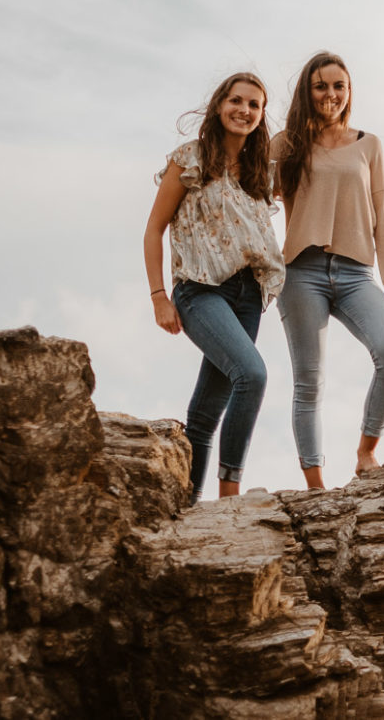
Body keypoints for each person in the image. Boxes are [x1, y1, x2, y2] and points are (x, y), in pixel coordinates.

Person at [143, 72, 284, 502]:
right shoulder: (188, 159)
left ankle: (185, 504)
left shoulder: (260, 172)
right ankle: (230, 493)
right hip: (200, 291)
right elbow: (153, 230)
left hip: (248, 296)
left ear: (261, 116)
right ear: (219, 105)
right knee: (253, 374)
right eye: (236, 101)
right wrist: (158, 297)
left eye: (254, 105)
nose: (244, 110)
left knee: (204, 415)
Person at [274, 51, 384, 489]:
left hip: (355, 272)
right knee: (308, 381)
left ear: (349, 92)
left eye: (338, 86)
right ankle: (315, 485)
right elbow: (251, 197)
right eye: (320, 86)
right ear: (307, 93)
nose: (330, 94)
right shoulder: (286, 144)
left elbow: (383, 210)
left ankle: (367, 451)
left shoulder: (369, 145)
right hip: (301, 272)